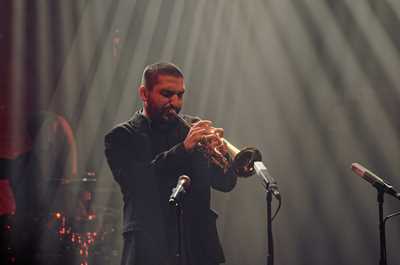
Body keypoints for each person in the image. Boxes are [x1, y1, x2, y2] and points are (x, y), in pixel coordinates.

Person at [104, 62, 237, 265]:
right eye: (166, 94)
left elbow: (225, 183)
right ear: (144, 93)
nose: (175, 102)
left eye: (180, 95)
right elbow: (137, 183)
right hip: (150, 247)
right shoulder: (121, 137)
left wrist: (223, 157)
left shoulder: (191, 128)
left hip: (198, 248)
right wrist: (183, 149)